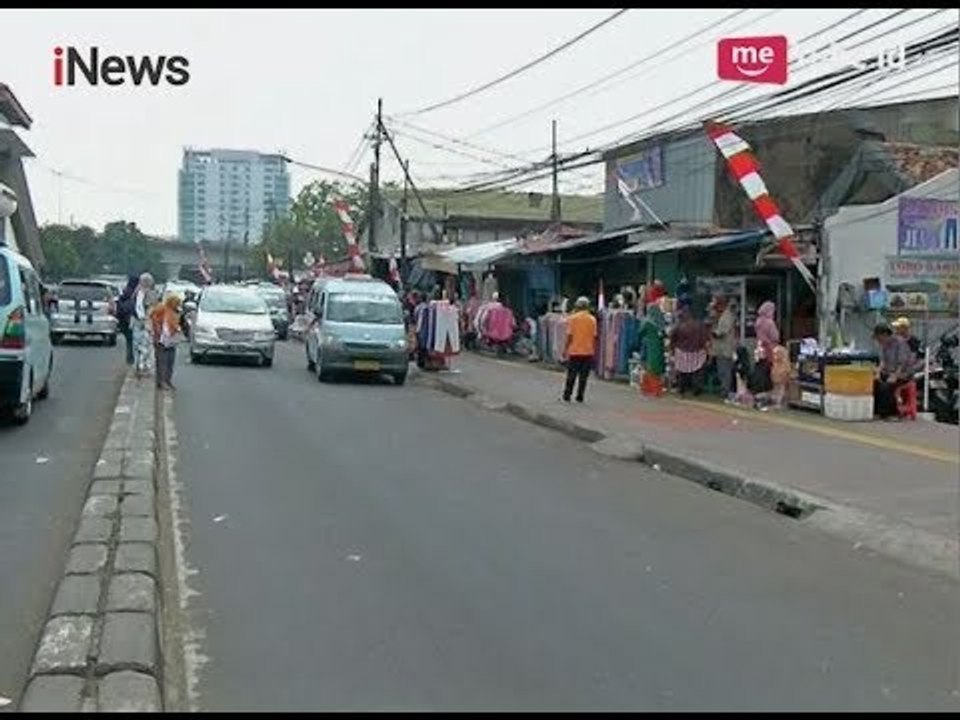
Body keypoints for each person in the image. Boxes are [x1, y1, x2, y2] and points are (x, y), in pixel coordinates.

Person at [873, 323, 913, 419]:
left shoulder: (900, 343)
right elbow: (882, 361)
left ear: (884, 335)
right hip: (888, 372)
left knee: (887, 386)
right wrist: (877, 373)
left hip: (902, 373)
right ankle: (876, 411)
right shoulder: (883, 345)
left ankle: (890, 413)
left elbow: (902, 363)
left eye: (879, 337)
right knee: (874, 383)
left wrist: (895, 375)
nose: (878, 340)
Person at [562, 296, 597, 403]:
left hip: (575, 351)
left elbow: (570, 336)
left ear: (577, 306)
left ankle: (567, 395)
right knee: (583, 376)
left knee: (571, 375)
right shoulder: (592, 319)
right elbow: (594, 337)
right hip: (588, 351)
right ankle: (580, 396)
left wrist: (565, 349)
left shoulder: (573, 318)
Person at [670, 307, 708, 396]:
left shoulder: (679, 326)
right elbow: (704, 339)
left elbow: (673, 337)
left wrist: (672, 348)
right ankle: (696, 389)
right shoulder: (699, 325)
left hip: (682, 351)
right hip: (697, 351)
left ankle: (681, 389)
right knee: (697, 371)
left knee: (682, 371)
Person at [150, 294, 184, 391]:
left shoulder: (176, 312)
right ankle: (161, 382)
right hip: (161, 340)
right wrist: (157, 329)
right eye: (177, 303)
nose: (178, 305)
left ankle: (168, 381)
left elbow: (177, 324)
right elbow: (153, 316)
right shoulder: (162, 308)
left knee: (170, 362)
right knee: (162, 362)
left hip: (171, 340)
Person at [710, 295, 738, 403]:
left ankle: (725, 390)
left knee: (725, 370)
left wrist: (714, 332)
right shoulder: (720, 315)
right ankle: (724, 389)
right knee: (721, 370)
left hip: (725, 347)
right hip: (720, 348)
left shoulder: (727, 316)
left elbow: (722, 332)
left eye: (717, 305)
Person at [752, 300, 780, 408]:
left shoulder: (758, 321)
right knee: (767, 372)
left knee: (759, 370)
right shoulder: (769, 323)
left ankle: (758, 394)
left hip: (759, 348)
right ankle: (764, 396)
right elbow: (775, 337)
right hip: (768, 349)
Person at [132, 273, 157, 379]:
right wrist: (143, 319)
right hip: (144, 322)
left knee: (140, 345)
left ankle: (140, 366)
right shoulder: (141, 292)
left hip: (143, 322)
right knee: (144, 345)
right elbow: (139, 307)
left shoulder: (139, 292)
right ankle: (142, 367)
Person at [639, 302, 666, 396]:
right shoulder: (661, 322)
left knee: (650, 366)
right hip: (659, 346)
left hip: (649, 345)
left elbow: (640, 332)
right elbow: (663, 334)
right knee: (657, 366)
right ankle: (655, 388)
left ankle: (650, 389)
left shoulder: (647, 322)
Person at [116, 275, 139, 366]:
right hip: (131, 319)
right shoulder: (135, 293)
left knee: (129, 340)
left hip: (124, 320)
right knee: (134, 340)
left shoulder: (125, 292)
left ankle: (129, 358)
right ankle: (132, 358)